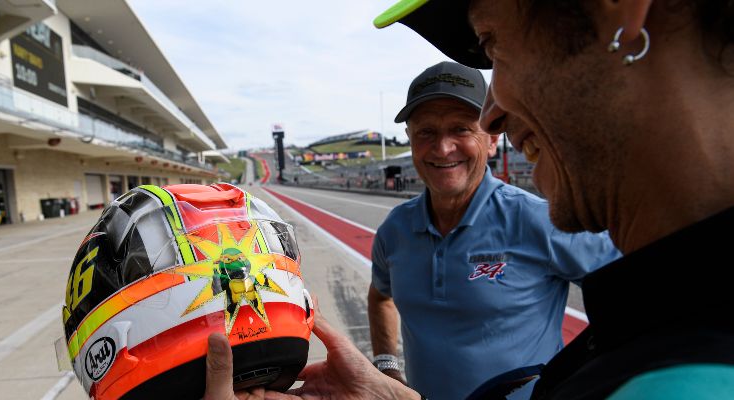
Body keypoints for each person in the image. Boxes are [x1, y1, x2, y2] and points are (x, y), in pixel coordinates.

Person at [205, 0, 734, 398]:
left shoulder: (546, 221)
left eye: (494, 43)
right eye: (425, 133)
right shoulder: (667, 326)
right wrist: (390, 381)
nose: (495, 109)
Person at [367, 61, 619, 400]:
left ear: (491, 141)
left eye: (460, 129)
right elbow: (380, 295)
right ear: (411, 140)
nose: (443, 148)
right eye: (426, 132)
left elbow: (638, 292)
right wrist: (386, 365)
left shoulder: (540, 219)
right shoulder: (394, 230)